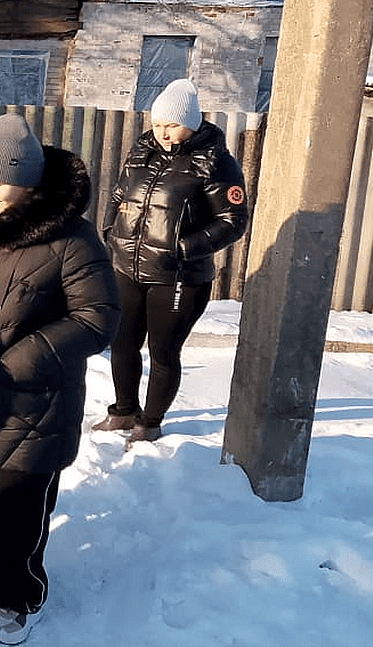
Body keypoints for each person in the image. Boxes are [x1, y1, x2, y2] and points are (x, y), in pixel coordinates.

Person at [0, 114, 119, 644]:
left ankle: (21, 594)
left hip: (36, 404)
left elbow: (98, 317)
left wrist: (25, 360)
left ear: (28, 180)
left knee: (20, 513)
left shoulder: (71, 238)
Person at [92, 78, 250, 447]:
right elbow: (119, 194)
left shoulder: (216, 162)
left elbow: (233, 220)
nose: (163, 132)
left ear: (192, 123)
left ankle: (149, 422)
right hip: (128, 268)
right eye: (158, 124)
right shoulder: (142, 151)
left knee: (163, 352)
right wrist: (111, 229)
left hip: (179, 276)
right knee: (122, 344)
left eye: (172, 125)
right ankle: (123, 410)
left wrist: (183, 248)